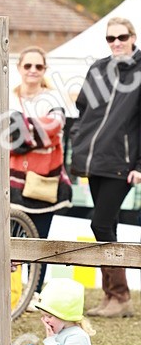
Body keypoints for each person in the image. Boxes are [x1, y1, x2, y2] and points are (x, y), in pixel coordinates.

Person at [70, 17, 141, 317]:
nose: (116, 43)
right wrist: (79, 139)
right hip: (94, 160)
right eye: (110, 39)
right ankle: (112, 298)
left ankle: (120, 295)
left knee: (99, 223)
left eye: (121, 37)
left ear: (133, 37)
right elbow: (84, 108)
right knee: (106, 225)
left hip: (122, 163)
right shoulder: (98, 68)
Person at [8, 45, 72, 291]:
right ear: (19, 68)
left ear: (44, 69)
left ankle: (34, 292)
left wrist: (18, 129)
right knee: (11, 239)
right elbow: (0, 134)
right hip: (13, 182)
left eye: (39, 66)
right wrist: (36, 133)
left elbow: (54, 128)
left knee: (39, 240)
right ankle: (10, 293)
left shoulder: (54, 98)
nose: (33, 70)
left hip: (45, 181)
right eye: (28, 65)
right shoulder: (9, 97)